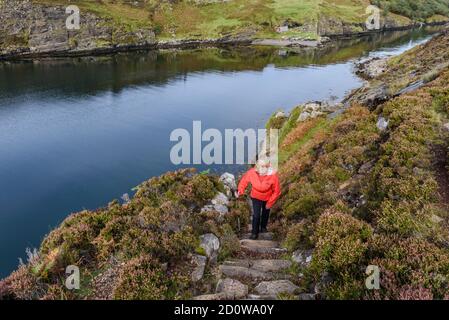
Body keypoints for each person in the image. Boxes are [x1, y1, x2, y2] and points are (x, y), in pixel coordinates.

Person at [237, 159, 281, 240]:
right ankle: (254, 233)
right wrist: (240, 191)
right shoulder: (252, 172)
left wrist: (270, 203)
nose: (262, 169)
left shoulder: (273, 175)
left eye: (264, 167)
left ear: (268, 167)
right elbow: (243, 182)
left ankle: (263, 227)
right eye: (260, 167)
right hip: (256, 196)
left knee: (266, 212)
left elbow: (277, 191)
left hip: (268, 197)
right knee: (256, 215)